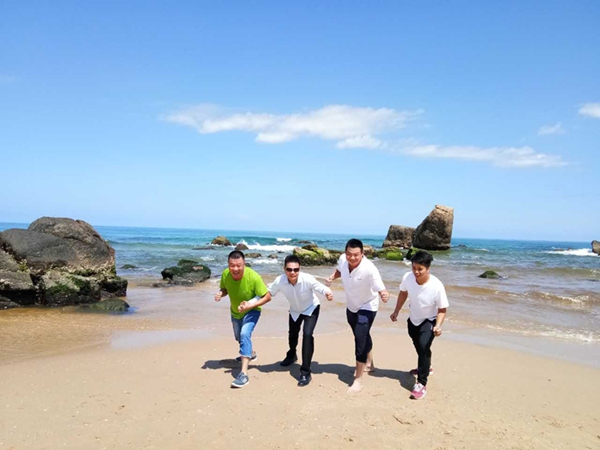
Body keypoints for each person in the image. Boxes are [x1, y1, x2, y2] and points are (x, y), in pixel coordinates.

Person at [326, 238, 389, 394]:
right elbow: (340, 270)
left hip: (368, 306)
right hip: (352, 306)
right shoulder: (343, 259)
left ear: (362, 254)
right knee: (362, 335)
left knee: (360, 339)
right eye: (349, 254)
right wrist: (332, 276)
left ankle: (358, 380)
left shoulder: (370, 269)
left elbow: (380, 288)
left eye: (356, 255)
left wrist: (384, 294)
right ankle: (370, 364)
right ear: (345, 252)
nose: (352, 258)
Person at [390, 250, 448, 400]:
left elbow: (442, 309)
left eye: (420, 269)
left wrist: (438, 325)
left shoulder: (436, 286)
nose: (416, 272)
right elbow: (403, 293)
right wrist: (396, 311)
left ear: (428, 268)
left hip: (429, 320)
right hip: (413, 319)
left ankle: (421, 383)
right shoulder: (407, 277)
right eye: (414, 267)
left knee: (423, 346)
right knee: (419, 346)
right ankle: (426, 366)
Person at [267, 255, 334, 387]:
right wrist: (252, 302)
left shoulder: (307, 278)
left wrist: (328, 292)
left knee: (307, 335)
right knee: (292, 335)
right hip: (295, 310)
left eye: (296, 269)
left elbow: (320, 287)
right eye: (289, 269)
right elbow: (268, 293)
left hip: (311, 308)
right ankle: (292, 355)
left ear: (299, 269)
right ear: (284, 269)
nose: (293, 272)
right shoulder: (280, 281)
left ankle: (305, 372)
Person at [215, 250, 271, 388]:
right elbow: (225, 289)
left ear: (244, 264)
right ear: (228, 265)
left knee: (245, 334)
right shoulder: (225, 274)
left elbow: (267, 296)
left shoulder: (254, 277)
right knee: (239, 337)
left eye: (238, 265)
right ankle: (250, 353)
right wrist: (220, 293)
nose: (235, 269)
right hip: (235, 312)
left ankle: (244, 374)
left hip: (252, 311)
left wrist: (250, 305)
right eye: (232, 265)